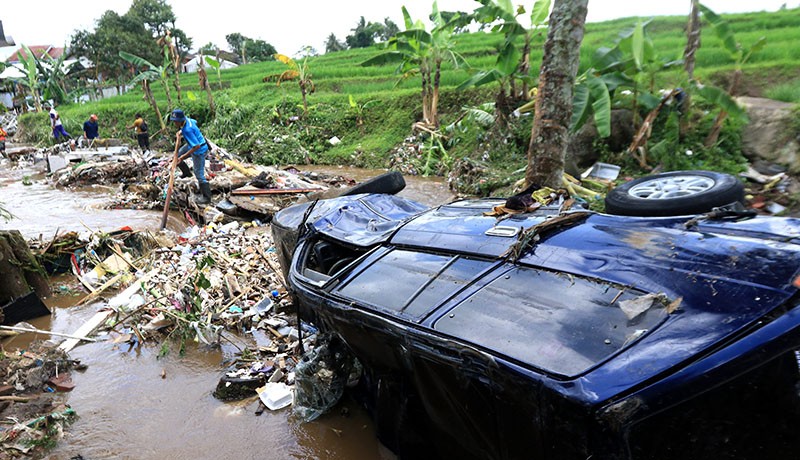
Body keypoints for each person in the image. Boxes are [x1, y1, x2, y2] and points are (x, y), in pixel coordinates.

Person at [170, 109, 212, 204]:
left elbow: (196, 146)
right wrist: (180, 132)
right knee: (178, 155)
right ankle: (186, 173)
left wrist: (183, 157)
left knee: (199, 174)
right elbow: (195, 122)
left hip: (199, 150)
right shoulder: (188, 121)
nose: (174, 123)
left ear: (180, 120)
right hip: (192, 144)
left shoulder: (187, 130)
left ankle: (207, 197)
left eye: (175, 121)